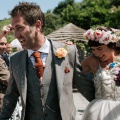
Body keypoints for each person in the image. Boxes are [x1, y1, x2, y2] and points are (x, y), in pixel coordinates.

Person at [0, 2, 95, 120]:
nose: (16, 35)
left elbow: (86, 88)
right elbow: (11, 96)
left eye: (20, 28)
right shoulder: (15, 59)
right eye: (14, 29)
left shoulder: (68, 52)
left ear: (38, 25)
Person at [81, 26, 120, 120]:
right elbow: (70, 71)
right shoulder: (92, 61)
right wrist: (67, 51)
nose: (96, 54)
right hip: (99, 111)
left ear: (111, 45)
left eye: (99, 48)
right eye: (93, 49)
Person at [0, 35, 10, 112]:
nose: (4, 47)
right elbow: (8, 79)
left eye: (5, 44)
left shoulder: (4, 56)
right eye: (1, 44)